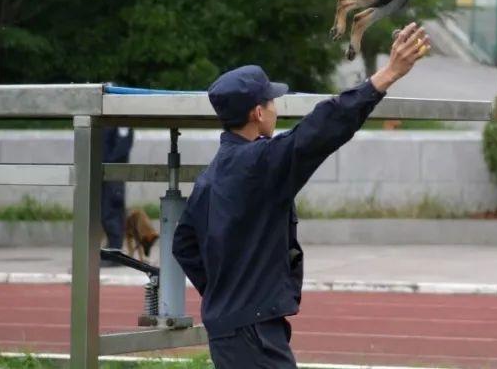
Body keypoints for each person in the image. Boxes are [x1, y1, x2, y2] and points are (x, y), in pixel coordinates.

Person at [172, 22, 431, 368]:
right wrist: (387, 75)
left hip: (232, 329)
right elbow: (321, 129)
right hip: (252, 332)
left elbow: (184, 245)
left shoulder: (212, 174)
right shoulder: (259, 164)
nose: (276, 106)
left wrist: (226, 294)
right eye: (272, 100)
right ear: (258, 112)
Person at [100, 126, 134, 267]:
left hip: (113, 171)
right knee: (104, 211)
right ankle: (111, 251)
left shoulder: (120, 120)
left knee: (112, 211)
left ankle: (115, 253)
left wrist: (109, 162)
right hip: (103, 169)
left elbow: (124, 144)